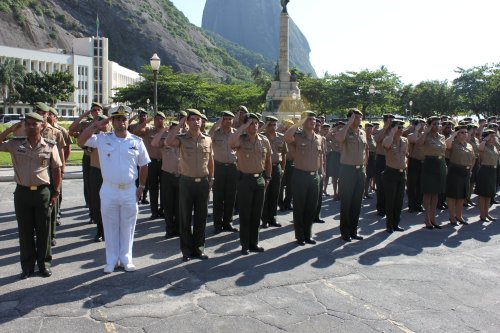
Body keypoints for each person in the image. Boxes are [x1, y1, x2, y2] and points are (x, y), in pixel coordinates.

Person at [78, 106, 150, 273]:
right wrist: (97, 125)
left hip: (129, 190)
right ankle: (111, 260)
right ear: (112, 121)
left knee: (128, 226)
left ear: (127, 121)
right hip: (109, 189)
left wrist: (141, 186)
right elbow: (81, 141)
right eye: (117, 119)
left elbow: (144, 164)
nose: (121, 121)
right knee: (110, 226)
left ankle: (126, 258)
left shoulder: (136, 141)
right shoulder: (102, 139)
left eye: (124, 118)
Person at [0, 112, 62, 279]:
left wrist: (56, 192)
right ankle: (27, 267)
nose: (30, 127)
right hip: (22, 193)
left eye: (34, 124)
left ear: (42, 126)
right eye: (27, 123)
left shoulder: (49, 145)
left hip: (42, 192)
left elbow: (57, 169)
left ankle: (44, 264)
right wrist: (10, 129)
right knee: (25, 232)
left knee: (44, 231)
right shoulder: (15, 144)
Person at [166, 109, 214, 262]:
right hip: (186, 182)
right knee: (185, 218)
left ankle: (199, 249)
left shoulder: (207, 139)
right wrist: (180, 123)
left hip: (203, 182)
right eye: (192, 119)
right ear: (187, 121)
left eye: (198, 119)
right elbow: (168, 141)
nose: (196, 122)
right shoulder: (181, 138)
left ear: (202, 121)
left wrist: (212, 178)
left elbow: (211, 161)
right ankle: (186, 250)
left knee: (201, 217)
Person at [229, 113, 272, 254]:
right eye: (251, 123)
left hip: (259, 179)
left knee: (256, 213)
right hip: (245, 180)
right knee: (245, 214)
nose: (254, 126)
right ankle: (245, 245)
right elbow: (230, 142)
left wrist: (268, 177)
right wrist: (243, 127)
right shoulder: (241, 140)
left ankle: (254, 242)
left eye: (256, 123)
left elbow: (268, 160)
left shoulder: (264, 140)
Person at [284, 111, 325, 246]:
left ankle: (308, 234)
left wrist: (322, 172)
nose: (313, 122)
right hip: (300, 176)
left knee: (311, 208)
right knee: (299, 207)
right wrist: (299, 123)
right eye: (309, 119)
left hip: (314, 177)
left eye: (314, 120)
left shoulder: (319, 138)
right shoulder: (297, 136)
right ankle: (300, 236)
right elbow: (286, 137)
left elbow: (321, 157)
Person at [335, 109, 367, 242]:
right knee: (346, 202)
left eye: (360, 117)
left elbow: (365, 151)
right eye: (356, 117)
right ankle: (345, 232)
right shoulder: (344, 131)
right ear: (350, 118)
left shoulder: (363, 132)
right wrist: (348, 124)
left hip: (360, 171)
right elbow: (339, 138)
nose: (359, 119)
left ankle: (354, 230)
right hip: (347, 170)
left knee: (357, 203)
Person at [69, 102, 103, 215]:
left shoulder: (106, 123)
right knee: (89, 184)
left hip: (103, 159)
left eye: (99, 110)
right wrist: (83, 115)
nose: (96, 112)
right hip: (89, 157)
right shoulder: (86, 124)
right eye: (94, 110)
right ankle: (91, 207)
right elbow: (71, 130)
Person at [131, 112, 167, 219]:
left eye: (161, 118)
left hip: (165, 162)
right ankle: (154, 212)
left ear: (164, 120)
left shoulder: (168, 131)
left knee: (165, 188)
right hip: (152, 162)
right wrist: (146, 121)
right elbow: (135, 132)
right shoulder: (148, 130)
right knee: (153, 188)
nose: (159, 120)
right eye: (156, 119)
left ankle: (163, 209)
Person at [209, 111, 239, 234]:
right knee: (218, 197)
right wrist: (217, 122)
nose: (227, 121)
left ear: (233, 121)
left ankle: (228, 222)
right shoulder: (216, 133)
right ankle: (217, 224)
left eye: (229, 119)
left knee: (231, 197)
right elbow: (208, 135)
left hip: (233, 168)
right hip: (218, 168)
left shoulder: (236, 134)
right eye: (225, 119)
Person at [83, 115, 111, 242]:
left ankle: (110, 229)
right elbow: (82, 141)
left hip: (111, 172)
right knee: (97, 202)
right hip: (96, 171)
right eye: (100, 122)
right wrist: (94, 127)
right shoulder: (94, 137)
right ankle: (100, 229)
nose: (103, 125)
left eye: (105, 122)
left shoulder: (114, 135)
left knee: (110, 203)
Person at [151, 121, 181, 239]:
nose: (176, 131)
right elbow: (153, 143)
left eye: (177, 129)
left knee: (179, 205)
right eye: (173, 129)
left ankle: (179, 229)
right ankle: (170, 229)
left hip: (181, 176)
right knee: (168, 205)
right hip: (167, 175)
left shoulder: (183, 140)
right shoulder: (164, 141)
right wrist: (163, 131)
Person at [416, 116, 446, 229]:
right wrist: (425, 131)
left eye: (439, 124)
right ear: (429, 125)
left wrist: (445, 166)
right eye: (434, 124)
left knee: (436, 193)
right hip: (429, 164)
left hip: (440, 164)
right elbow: (418, 144)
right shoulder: (425, 136)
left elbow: (443, 152)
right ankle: (427, 219)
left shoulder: (442, 137)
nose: (437, 126)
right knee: (428, 193)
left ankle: (434, 218)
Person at [445, 125, 475, 225]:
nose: (464, 134)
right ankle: (452, 217)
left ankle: (459, 216)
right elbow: (446, 144)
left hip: (465, 172)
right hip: (455, 170)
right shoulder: (453, 143)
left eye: (466, 132)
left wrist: (470, 170)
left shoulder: (469, 145)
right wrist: (454, 134)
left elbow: (473, 158)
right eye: (461, 132)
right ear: (457, 134)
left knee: (462, 195)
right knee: (453, 195)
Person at [382, 120, 408, 233]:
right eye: (398, 127)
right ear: (393, 129)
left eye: (402, 127)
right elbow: (386, 145)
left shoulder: (405, 140)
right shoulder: (388, 139)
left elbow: (406, 154)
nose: (401, 129)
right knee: (390, 200)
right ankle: (389, 225)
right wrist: (392, 132)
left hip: (402, 173)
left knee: (399, 200)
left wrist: (405, 164)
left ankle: (396, 223)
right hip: (391, 172)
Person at [261, 116, 287, 228]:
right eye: (270, 124)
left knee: (275, 194)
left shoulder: (281, 137)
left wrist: (283, 168)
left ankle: (273, 218)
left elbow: (284, 153)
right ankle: (265, 219)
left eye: (274, 124)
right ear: (266, 125)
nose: (272, 127)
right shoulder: (261, 137)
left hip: (277, 167)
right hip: (264, 168)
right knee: (265, 194)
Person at [374, 114, 395, 216]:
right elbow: (377, 140)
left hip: (391, 160)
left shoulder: (394, 132)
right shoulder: (379, 131)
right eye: (389, 121)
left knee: (391, 186)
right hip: (381, 160)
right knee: (381, 185)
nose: (391, 123)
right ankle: (381, 208)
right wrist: (385, 128)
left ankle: (389, 208)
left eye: (392, 121)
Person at [476, 130, 499, 221]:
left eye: (494, 136)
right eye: (491, 136)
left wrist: (495, 139)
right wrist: (485, 139)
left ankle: (487, 213)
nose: (493, 138)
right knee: (483, 194)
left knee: (489, 194)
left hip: (493, 170)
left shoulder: (493, 146)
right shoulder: (483, 146)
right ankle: (482, 214)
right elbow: (479, 148)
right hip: (485, 170)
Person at [128, 109, 150, 204]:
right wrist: (132, 118)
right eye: (141, 116)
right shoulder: (133, 126)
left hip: (146, 155)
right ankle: (138, 196)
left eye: (144, 116)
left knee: (146, 178)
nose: (143, 117)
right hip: (135, 155)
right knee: (136, 177)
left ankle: (144, 196)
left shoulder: (150, 127)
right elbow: (129, 128)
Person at [406, 119, 426, 213]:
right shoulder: (411, 135)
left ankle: (419, 204)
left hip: (423, 162)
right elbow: (414, 140)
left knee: (421, 185)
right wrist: (416, 130)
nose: (422, 126)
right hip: (414, 161)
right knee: (412, 185)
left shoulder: (426, 136)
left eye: (424, 125)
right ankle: (411, 205)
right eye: (420, 125)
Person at [279, 119, 295, 211]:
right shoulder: (279, 135)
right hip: (282, 163)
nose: (288, 127)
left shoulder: (294, 136)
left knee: (291, 185)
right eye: (287, 126)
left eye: (290, 126)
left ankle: (288, 202)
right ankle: (280, 203)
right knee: (281, 185)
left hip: (292, 162)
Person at [364, 123, 376, 199]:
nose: (369, 130)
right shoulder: (363, 137)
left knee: (369, 176)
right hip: (365, 157)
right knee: (365, 176)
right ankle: (362, 193)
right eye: (368, 128)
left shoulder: (373, 137)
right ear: (365, 129)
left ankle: (366, 192)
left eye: (371, 129)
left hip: (373, 157)